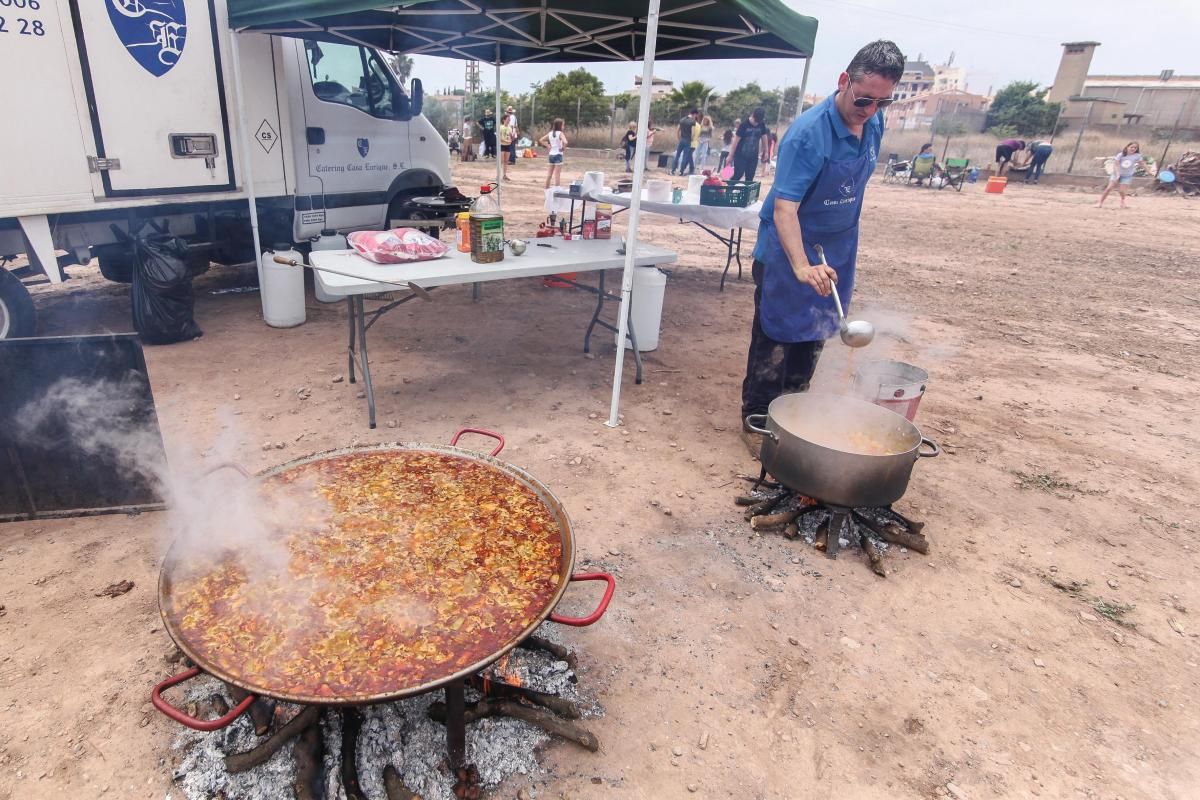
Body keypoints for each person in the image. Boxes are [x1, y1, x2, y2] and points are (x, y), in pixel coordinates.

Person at [740, 40, 904, 455]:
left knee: (815, 336)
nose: (869, 111)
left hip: (837, 249)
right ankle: (758, 423)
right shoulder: (808, 135)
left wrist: (833, 250)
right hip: (788, 248)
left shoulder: (873, 123)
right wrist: (800, 265)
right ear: (844, 81)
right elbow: (784, 208)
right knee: (775, 340)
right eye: (864, 100)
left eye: (881, 104)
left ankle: (796, 419)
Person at [1097, 141, 1150, 208]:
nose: (1133, 149)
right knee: (1109, 188)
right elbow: (1116, 165)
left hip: (1127, 176)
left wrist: (1149, 171)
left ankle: (1123, 202)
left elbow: (1142, 164)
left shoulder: (1137, 156)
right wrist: (1117, 174)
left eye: (1135, 148)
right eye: (1132, 147)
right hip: (1116, 174)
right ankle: (1100, 203)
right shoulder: (1121, 155)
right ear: (1127, 147)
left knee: (1122, 191)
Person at [729, 106, 770, 182]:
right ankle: (729, 191)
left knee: (750, 177)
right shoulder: (744, 125)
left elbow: (764, 138)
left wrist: (766, 152)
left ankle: (746, 193)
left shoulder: (761, 124)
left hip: (753, 156)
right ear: (752, 115)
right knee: (738, 174)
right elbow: (736, 141)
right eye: (755, 121)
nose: (756, 123)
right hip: (740, 155)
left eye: (758, 121)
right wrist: (730, 155)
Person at [540, 118, 568, 189]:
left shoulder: (550, 133)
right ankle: (557, 190)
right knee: (557, 174)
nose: (563, 127)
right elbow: (566, 142)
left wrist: (548, 146)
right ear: (560, 126)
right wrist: (563, 148)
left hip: (551, 155)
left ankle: (546, 189)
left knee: (549, 175)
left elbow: (541, 140)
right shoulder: (560, 133)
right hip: (558, 155)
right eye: (563, 125)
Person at [670, 108, 699, 175]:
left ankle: (673, 170)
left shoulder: (682, 120)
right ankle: (681, 171)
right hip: (687, 140)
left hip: (681, 139)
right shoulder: (692, 121)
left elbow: (677, 130)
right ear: (694, 114)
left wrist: (679, 138)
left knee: (677, 155)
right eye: (696, 115)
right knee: (685, 156)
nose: (696, 117)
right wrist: (691, 139)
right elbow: (693, 132)